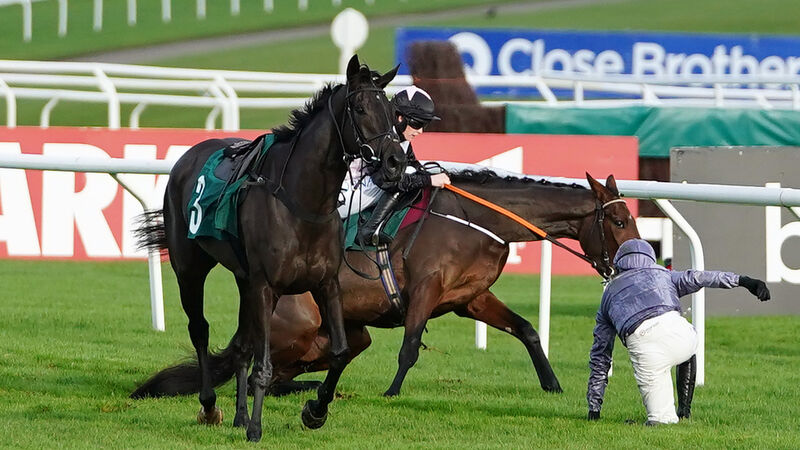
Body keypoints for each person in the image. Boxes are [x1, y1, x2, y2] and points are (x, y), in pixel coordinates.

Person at [586, 238, 771, 425]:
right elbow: (702, 277)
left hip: (645, 347)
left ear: (618, 265)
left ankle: (664, 418)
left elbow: (601, 355)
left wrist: (594, 408)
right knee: (688, 347)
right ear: (650, 259)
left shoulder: (608, 295)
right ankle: (684, 411)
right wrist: (744, 281)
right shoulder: (664, 274)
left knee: (661, 422)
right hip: (680, 336)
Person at [337, 85, 451, 245]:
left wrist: (433, 175)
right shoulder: (382, 137)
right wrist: (429, 180)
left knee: (418, 171)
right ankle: (369, 230)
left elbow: (415, 165)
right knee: (406, 174)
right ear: (400, 117)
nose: (421, 131)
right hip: (343, 196)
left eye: (424, 125)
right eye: (417, 124)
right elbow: (388, 181)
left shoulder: (401, 138)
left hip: (364, 187)